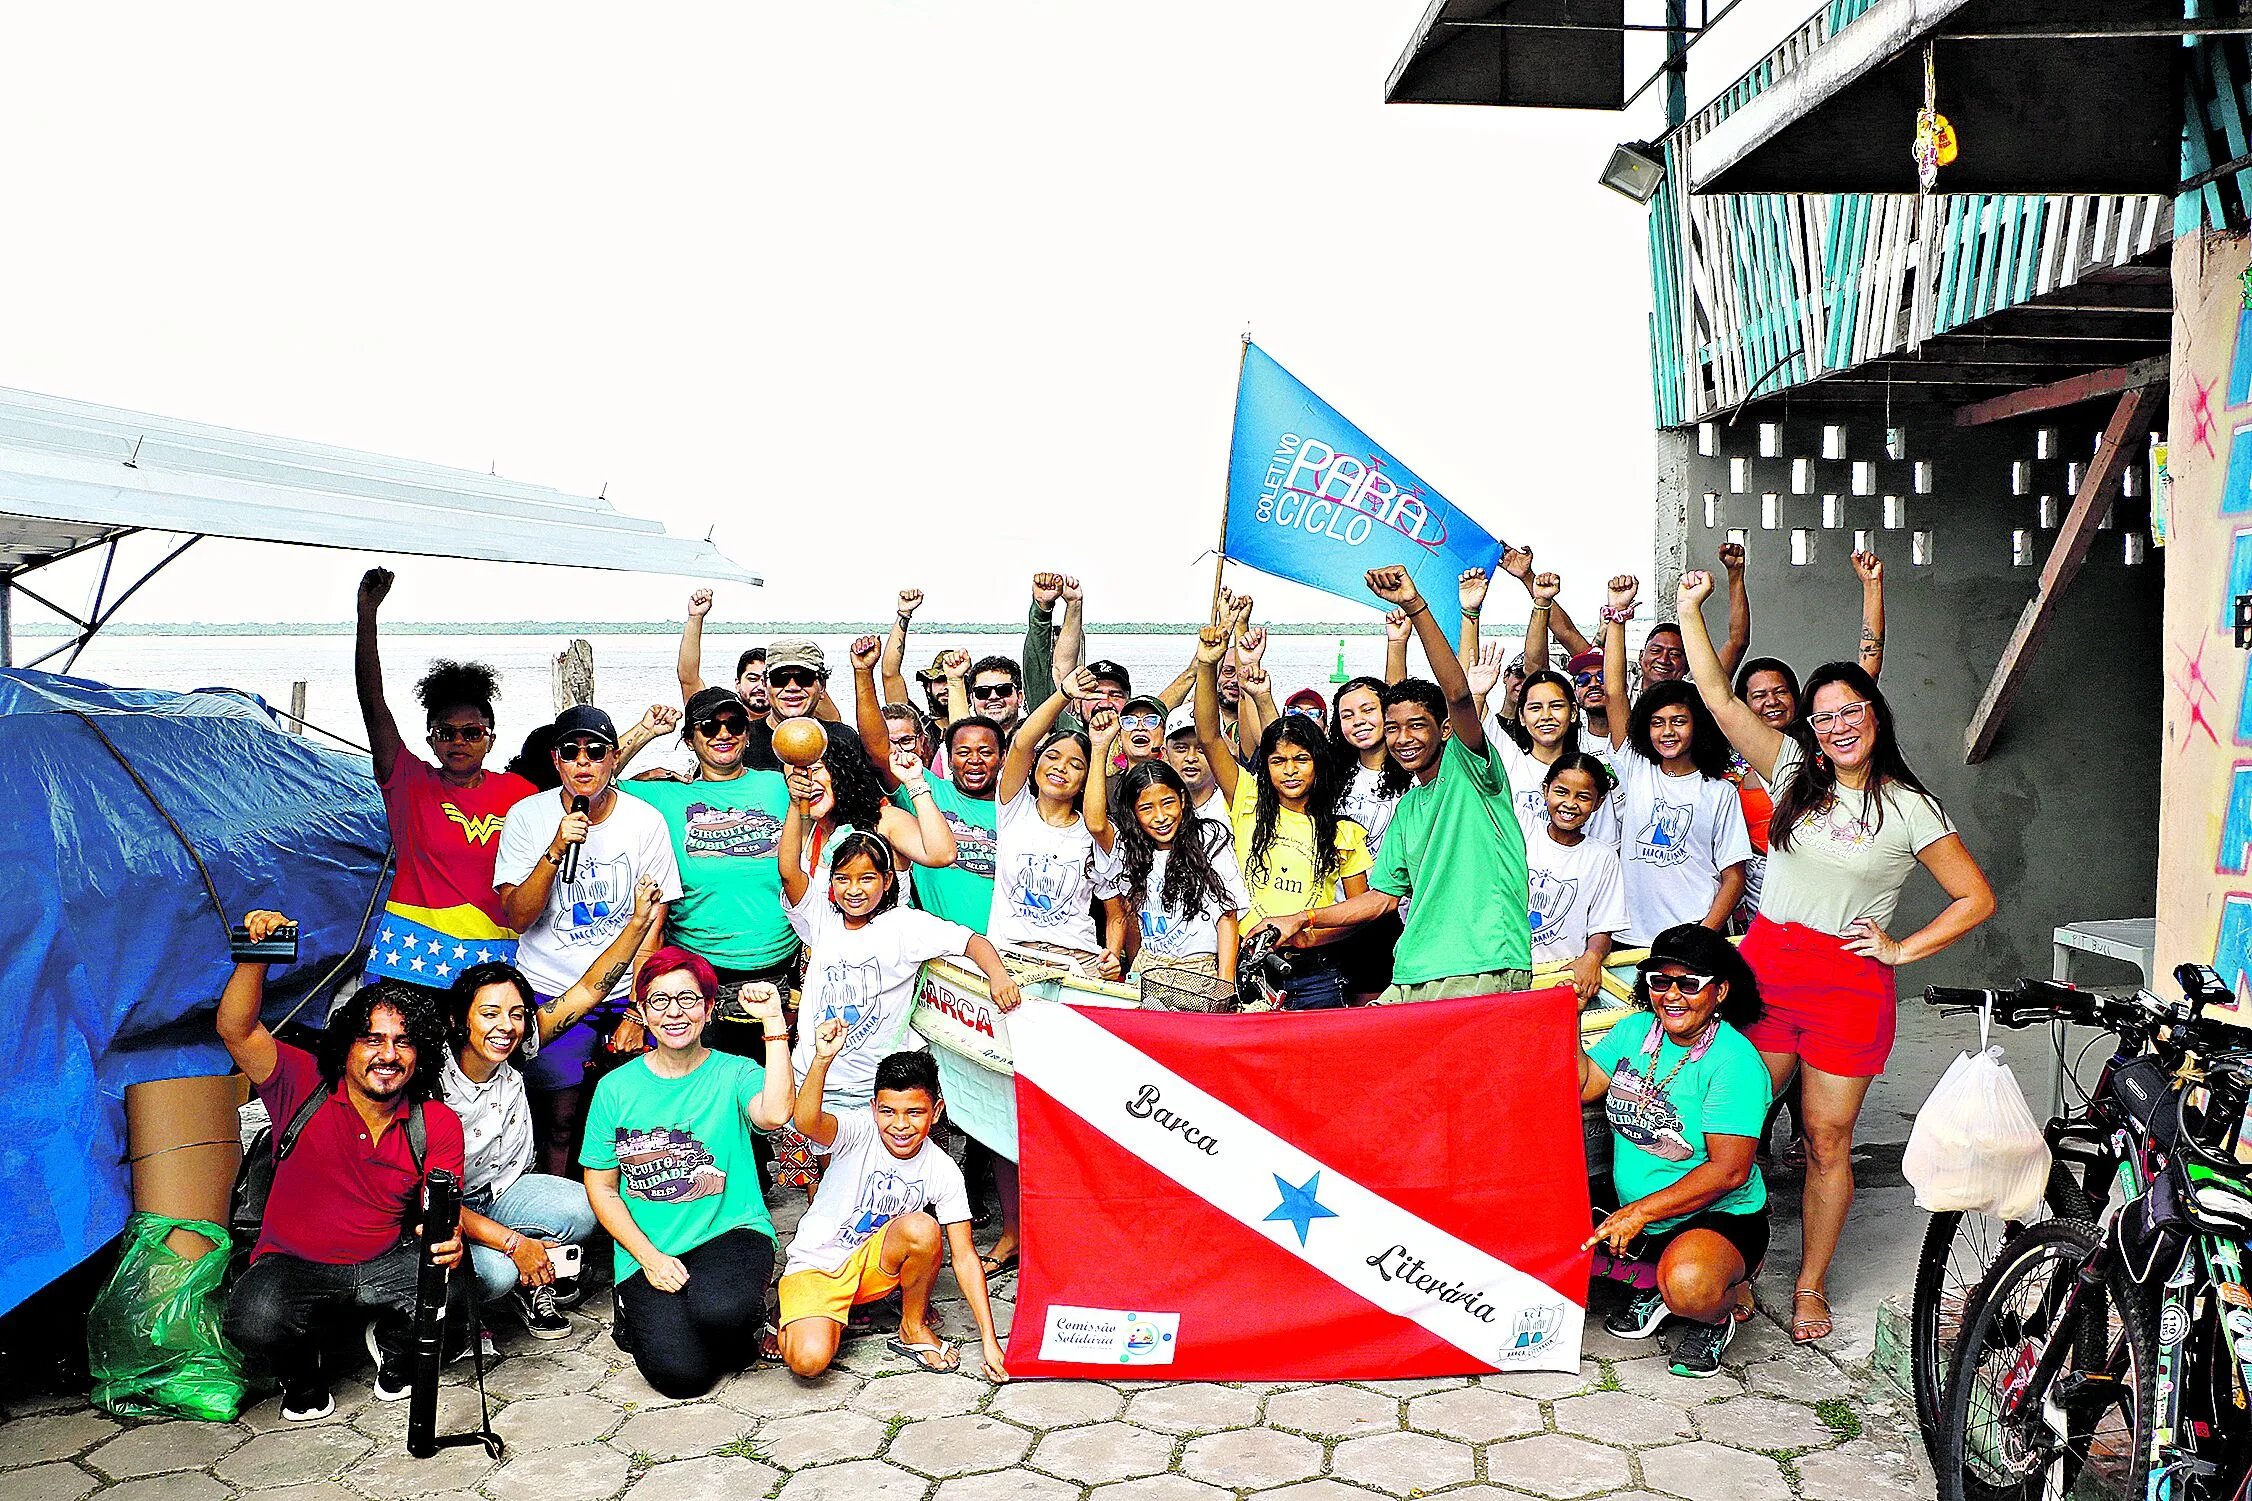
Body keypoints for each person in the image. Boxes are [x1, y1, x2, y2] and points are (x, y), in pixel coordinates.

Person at [1674, 569, 1993, 1346]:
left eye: (1852, 710)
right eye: (1824, 716)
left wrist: (1899, 948)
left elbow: (1975, 897)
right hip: (1770, 970)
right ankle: (1725, 1264)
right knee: (1731, 1124)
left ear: (1875, 715)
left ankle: (1810, 1281)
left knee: (1825, 1140)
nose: (1838, 725)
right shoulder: (1789, 772)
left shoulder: (1912, 807)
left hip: (1850, 986)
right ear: (1810, 729)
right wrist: (1690, 609)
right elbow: (1717, 699)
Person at [217, 918, 467, 1421]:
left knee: (459, 1290)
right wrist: (255, 954)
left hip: (382, 1260)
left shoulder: (434, 1122)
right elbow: (236, 1029)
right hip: (293, 1264)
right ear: (346, 1047)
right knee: (253, 1318)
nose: (387, 1055)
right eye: (371, 1040)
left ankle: (395, 1351)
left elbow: (439, 1214)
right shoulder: (301, 1084)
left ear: (419, 1058)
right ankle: (302, 1375)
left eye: (403, 1042)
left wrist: (449, 1237)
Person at [1255, 567, 1531, 1005]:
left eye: (1417, 726)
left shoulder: (1473, 772)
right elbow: (1381, 899)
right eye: (1394, 728)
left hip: (1481, 964)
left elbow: (1457, 694)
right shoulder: (1408, 807)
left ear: (1444, 731)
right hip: (1413, 966)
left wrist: (1415, 607)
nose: (1404, 739)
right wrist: (1302, 918)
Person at [441, 881, 661, 1340]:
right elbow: (417, 1198)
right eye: (490, 1014)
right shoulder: (430, 1082)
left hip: (503, 1194)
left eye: (518, 1013)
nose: (507, 1026)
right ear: (459, 1020)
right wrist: (514, 1244)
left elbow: (586, 990)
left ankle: (527, 1270)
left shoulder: (518, 1050)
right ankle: (456, 1307)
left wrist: (639, 921)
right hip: (443, 1211)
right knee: (495, 1274)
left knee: (584, 1208)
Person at [580, 949, 797, 1399]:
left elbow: (775, 1113)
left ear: (708, 1007)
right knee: (683, 1379)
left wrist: (773, 1023)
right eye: (659, 1001)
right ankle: (639, 1311)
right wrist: (649, 1259)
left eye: (687, 999)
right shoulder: (614, 1089)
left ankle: (738, 1322)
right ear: (640, 1011)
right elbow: (601, 1186)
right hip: (650, 1246)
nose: (674, 1012)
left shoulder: (734, 1071)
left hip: (730, 1229)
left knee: (721, 1314)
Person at [494, 704, 682, 1177]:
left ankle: (631, 1215)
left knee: (636, 1121)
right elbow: (517, 916)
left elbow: (652, 925)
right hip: (550, 989)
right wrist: (556, 849)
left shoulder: (645, 821)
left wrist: (641, 1011)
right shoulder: (526, 816)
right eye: (571, 752)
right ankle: (557, 1213)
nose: (584, 762)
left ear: (613, 758)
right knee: (556, 1119)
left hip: (625, 992)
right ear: (556, 761)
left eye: (595, 751)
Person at [1582, 925, 1772, 1378]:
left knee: (1689, 1287)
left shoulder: (1735, 1062)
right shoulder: (1634, 1031)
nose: (1673, 996)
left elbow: (1729, 1171)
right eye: (1659, 982)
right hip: (1641, 1210)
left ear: (1720, 991)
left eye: (1689, 984)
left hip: (1715, 1215)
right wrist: (1564, 1023)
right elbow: (1586, 1085)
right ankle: (1658, 1286)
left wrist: (1638, 1214)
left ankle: (1717, 1309)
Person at [779, 1043, 1010, 1381]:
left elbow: (964, 1257)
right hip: (819, 1266)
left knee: (922, 1228)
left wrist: (989, 1341)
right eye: (888, 1111)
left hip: (875, 1269)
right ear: (873, 1108)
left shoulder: (942, 1169)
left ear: (937, 1111)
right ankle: (792, 1312)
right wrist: (823, 1059)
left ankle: (911, 1326)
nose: (900, 1125)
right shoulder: (858, 1130)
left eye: (914, 1112)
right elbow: (806, 1121)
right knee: (809, 1362)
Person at [354, 568, 537, 980]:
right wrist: (367, 614)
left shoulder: (521, 792)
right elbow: (372, 700)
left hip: (498, 959)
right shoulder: (409, 783)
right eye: (446, 732)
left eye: (472, 732)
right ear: (431, 740)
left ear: (490, 738)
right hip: (413, 954)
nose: (459, 741)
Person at [777, 819, 1023, 1122]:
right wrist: (794, 805)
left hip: (877, 1090)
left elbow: (971, 942)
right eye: (842, 879)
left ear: (888, 879)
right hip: (816, 1078)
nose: (854, 890)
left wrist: (998, 975)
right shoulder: (821, 920)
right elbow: (789, 874)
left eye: (866, 878)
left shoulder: (905, 926)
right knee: (831, 1166)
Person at [1192, 627, 1370, 1010]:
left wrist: (1308, 935)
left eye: (1301, 759)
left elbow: (1359, 915)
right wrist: (1207, 664)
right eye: (1278, 761)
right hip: (1245, 969)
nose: (1290, 771)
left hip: (1316, 974)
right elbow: (1208, 735)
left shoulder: (1344, 832)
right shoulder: (1247, 798)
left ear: (1318, 765)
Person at [619, 687, 798, 1058]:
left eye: (734, 724)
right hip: (699, 977)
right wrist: (646, 730)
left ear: (748, 734)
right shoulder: (666, 796)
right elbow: (589, 782)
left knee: (774, 1098)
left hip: (782, 973)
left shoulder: (777, 785)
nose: (723, 734)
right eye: (709, 727)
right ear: (689, 739)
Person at [1599, 577, 1752, 946]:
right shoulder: (1636, 766)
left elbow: (1734, 876)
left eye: (1679, 721)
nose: (1667, 732)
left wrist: (1703, 935)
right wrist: (1618, 616)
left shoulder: (1719, 791)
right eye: (1657, 723)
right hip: (1627, 937)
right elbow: (1614, 692)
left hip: (1692, 936)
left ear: (1697, 726)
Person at [989, 671, 1125, 961]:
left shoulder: (1095, 831)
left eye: (1075, 764)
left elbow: (1115, 912)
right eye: (1052, 757)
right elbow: (1021, 744)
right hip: (1011, 955)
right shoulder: (1014, 807)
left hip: (1077, 959)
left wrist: (1112, 955)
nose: (1061, 767)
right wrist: (1064, 693)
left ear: (1086, 779)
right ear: (1035, 765)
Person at [1105, 759, 1250, 983]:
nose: (1161, 817)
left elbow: (1227, 915)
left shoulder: (1208, 838)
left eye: (1168, 803)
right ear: (1133, 812)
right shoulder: (1132, 850)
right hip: (1148, 970)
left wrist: (1226, 984)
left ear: (1182, 799)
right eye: (1146, 808)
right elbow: (1096, 825)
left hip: (1200, 972)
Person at [1527, 754, 1629, 1003]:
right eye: (1561, 792)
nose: (1570, 804)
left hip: (1565, 980)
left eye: (1583, 797)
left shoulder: (1602, 857)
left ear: (1598, 802)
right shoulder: (1523, 832)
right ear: (1545, 790)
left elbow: (1602, 927)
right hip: (1516, 976)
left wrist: (1592, 957)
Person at [1500, 668, 1623, 849]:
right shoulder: (1506, 759)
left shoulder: (1590, 774)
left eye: (1556, 706)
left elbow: (1605, 849)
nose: (1546, 716)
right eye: (1535, 708)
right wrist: (1478, 695)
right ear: (1522, 716)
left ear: (1573, 711)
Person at [1162, 704, 1229, 825]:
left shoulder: (1235, 805)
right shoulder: (1155, 811)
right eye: (1181, 748)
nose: (1191, 757)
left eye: (1202, 749)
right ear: (1165, 753)